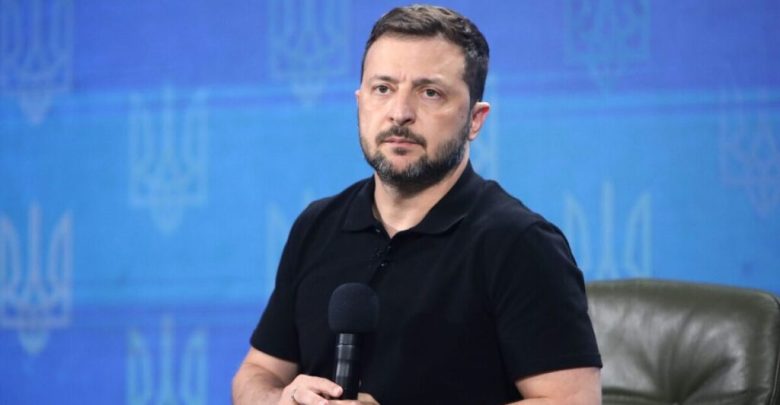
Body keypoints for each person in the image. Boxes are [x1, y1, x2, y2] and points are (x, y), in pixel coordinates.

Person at [233, 4, 602, 404]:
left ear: (475, 119)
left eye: (430, 93)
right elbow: (257, 374)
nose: (400, 113)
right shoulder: (317, 224)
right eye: (383, 89)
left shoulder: (520, 243)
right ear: (360, 101)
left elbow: (573, 400)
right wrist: (279, 399)